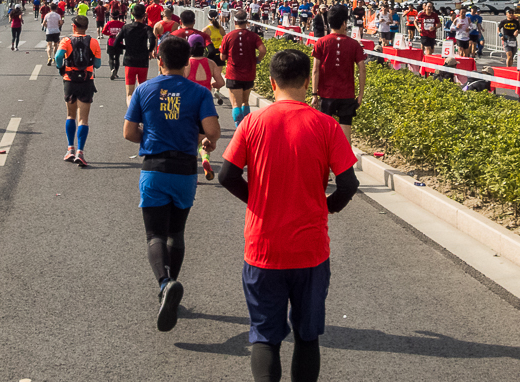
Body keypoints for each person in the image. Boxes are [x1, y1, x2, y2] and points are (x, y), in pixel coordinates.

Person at [219, 49, 360, 382]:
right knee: (307, 336)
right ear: (307, 81)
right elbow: (348, 183)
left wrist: (257, 201)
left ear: (271, 82)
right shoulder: (326, 125)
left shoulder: (253, 122)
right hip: (310, 250)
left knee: (265, 336)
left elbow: (227, 175)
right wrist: (326, 206)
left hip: (263, 247)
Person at [123, 36, 221, 332]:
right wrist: (203, 139)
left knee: (154, 234)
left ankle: (165, 283)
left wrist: (151, 136)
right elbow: (213, 131)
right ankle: (171, 287)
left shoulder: (144, 89)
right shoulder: (198, 92)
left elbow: (128, 132)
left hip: (154, 168)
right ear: (188, 63)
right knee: (175, 233)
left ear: (158, 58)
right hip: (184, 171)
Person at [310, 5, 367, 146]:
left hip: (326, 94)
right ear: (343, 23)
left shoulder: (321, 42)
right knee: (346, 134)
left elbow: (315, 70)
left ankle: (324, 165)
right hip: (347, 95)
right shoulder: (354, 44)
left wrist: (314, 94)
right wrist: (360, 95)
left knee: (324, 134)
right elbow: (362, 70)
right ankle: (346, 166)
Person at [56, 14, 102, 168]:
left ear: (73, 26)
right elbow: (98, 64)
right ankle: (80, 152)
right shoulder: (94, 42)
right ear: (87, 27)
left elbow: (58, 57)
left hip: (70, 79)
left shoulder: (66, 41)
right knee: (83, 119)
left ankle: (70, 149)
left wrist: (61, 67)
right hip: (86, 81)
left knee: (70, 115)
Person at [187, 34, 226, 180]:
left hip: (189, 105)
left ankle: (192, 174)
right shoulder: (210, 63)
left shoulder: (187, 64)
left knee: (190, 140)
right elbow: (221, 82)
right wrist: (211, 85)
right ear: (203, 47)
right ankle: (205, 159)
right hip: (206, 104)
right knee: (204, 140)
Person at [221, 9, 267, 125]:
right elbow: (262, 50)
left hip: (233, 73)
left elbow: (222, 57)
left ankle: (239, 127)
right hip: (249, 73)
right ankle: (246, 126)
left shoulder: (228, 36)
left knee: (236, 103)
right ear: (246, 22)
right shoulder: (253, 36)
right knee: (245, 101)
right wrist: (258, 59)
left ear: (234, 22)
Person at [116, 3, 157, 104]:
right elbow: (152, 39)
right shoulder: (146, 28)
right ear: (144, 15)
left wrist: (126, 47)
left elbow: (116, 42)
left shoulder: (126, 28)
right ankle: (141, 112)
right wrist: (149, 50)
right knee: (142, 91)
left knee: (129, 93)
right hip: (143, 61)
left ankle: (131, 114)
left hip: (129, 61)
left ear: (132, 14)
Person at [102, 9, 126, 81]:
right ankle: (116, 72)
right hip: (119, 42)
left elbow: (103, 31)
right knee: (117, 58)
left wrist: (110, 34)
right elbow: (124, 32)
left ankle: (112, 69)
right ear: (118, 16)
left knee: (111, 57)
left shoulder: (109, 23)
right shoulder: (122, 24)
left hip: (111, 41)